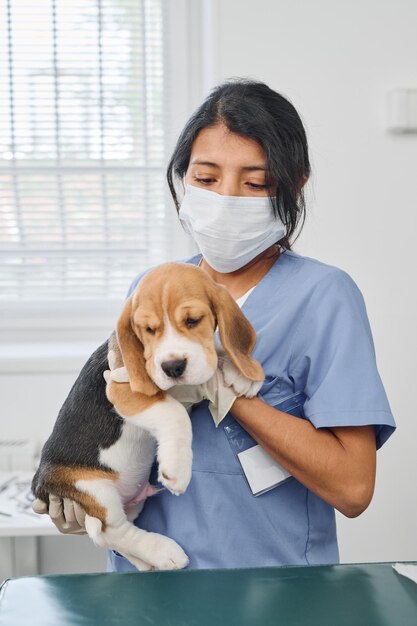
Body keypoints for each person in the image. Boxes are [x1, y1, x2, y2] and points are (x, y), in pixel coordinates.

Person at [37, 79, 396, 570]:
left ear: (295, 186)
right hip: (150, 586)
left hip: (271, 586)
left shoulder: (324, 297)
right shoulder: (151, 289)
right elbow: (119, 413)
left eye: (255, 183)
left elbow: (353, 488)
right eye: (206, 179)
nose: (227, 199)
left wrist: (230, 394)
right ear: (183, 179)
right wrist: (87, 498)